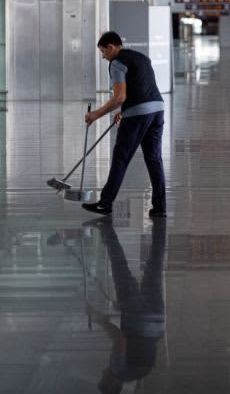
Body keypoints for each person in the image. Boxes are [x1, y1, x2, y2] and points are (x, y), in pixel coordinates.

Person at [82, 31, 166, 217]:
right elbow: (141, 87)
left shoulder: (117, 62)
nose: (104, 56)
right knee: (154, 159)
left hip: (139, 114)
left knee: (121, 157)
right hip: (158, 109)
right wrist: (123, 111)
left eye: (103, 52)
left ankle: (105, 204)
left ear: (111, 47)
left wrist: (96, 114)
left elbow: (120, 97)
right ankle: (160, 207)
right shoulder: (141, 57)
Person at [84, 217, 166, 393]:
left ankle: (161, 225)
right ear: (113, 384)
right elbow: (121, 340)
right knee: (120, 268)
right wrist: (100, 319)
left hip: (156, 322)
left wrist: (123, 310)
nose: (102, 373)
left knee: (155, 266)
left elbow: (140, 344)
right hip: (138, 319)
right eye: (103, 378)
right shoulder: (118, 370)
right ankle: (106, 227)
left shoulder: (138, 373)